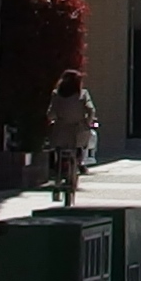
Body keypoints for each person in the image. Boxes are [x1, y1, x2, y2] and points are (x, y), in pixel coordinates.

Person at [45, 70, 97, 204]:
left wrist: (54, 119)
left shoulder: (56, 95)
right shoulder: (83, 94)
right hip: (78, 132)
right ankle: (80, 164)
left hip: (60, 132)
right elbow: (91, 110)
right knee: (80, 149)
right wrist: (87, 122)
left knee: (57, 153)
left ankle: (56, 180)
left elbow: (51, 114)